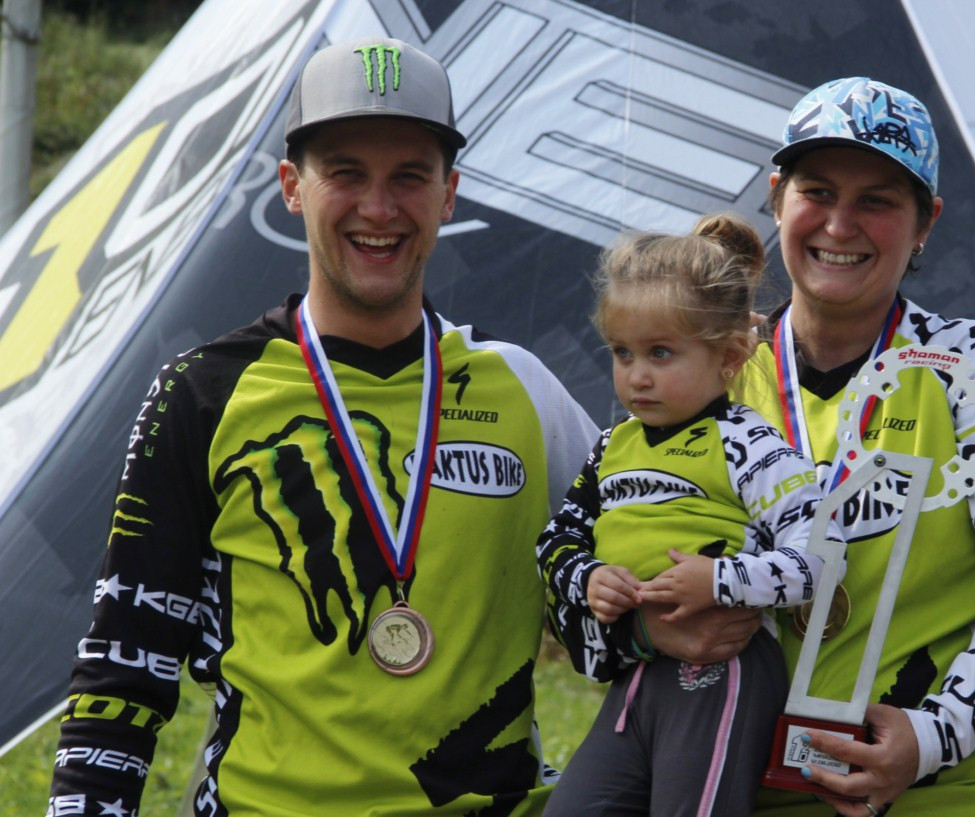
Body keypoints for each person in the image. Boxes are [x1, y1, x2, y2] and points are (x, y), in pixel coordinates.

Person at [47, 37, 596, 816]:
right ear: (292, 188)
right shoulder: (203, 393)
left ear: (449, 194)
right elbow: (124, 661)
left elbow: (646, 587)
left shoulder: (525, 392)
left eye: (409, 176)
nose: (379, 208)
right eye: (345, 173)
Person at [546, 76, 975, 816]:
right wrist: (643, 629)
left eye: (877, 200)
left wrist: (934, 733)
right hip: (727, 792)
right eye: (818, 192)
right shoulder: (699, 366)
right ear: (777, 198)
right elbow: (572, 572)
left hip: (928, 797)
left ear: (926, 222)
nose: (840, 225)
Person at [537, 214, 841, 816]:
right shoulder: (612, 445)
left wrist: (719, 581)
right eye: (622, 352)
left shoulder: (750, 444)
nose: (637, 376)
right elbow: (555, 542)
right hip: (637, 671)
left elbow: (821, 558)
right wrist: (590, 578)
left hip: (721, 670)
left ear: (729, 355)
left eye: (661, 353)